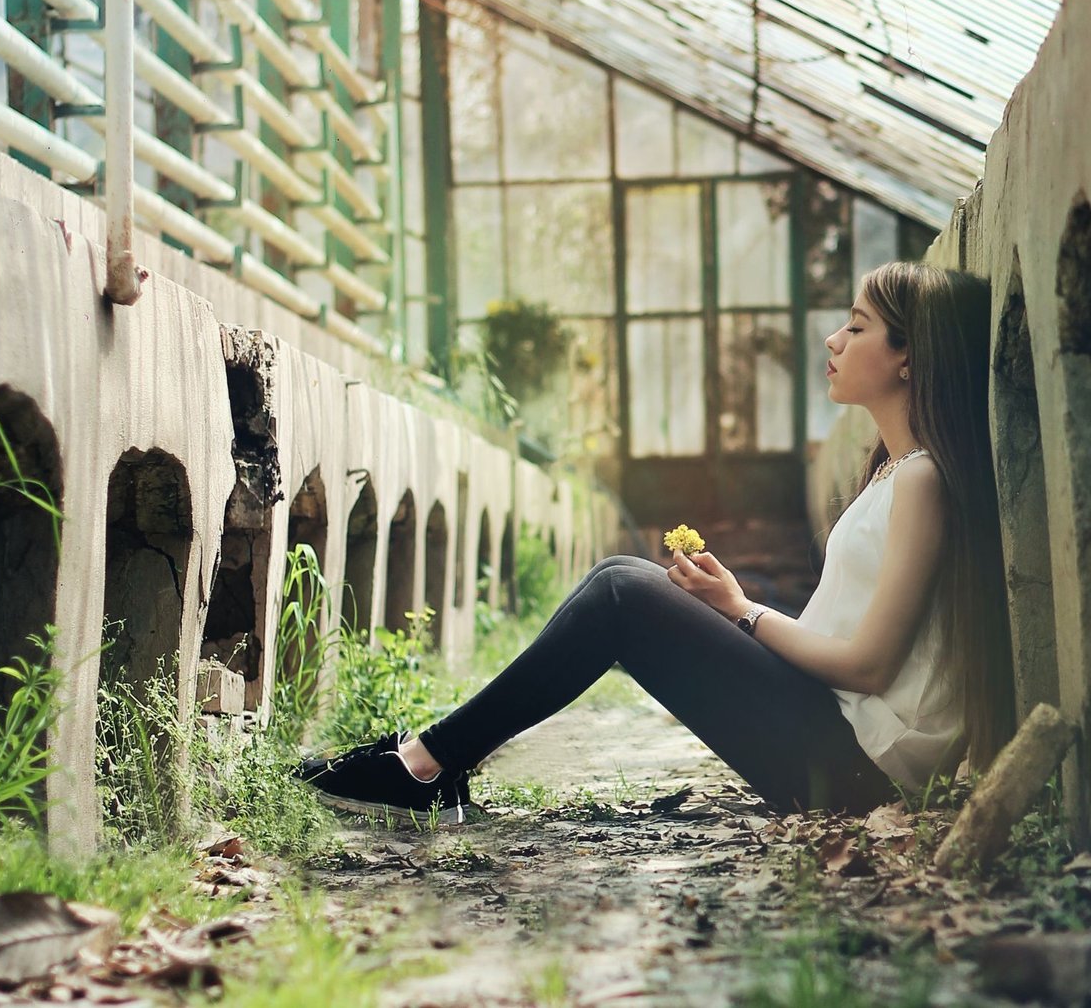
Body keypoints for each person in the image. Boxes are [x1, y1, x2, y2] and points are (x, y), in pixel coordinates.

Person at [297, 262, 1016, 825]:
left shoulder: (923, 481)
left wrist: (741, 610)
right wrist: (728, 603)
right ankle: (433, 760)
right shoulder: (893, 473)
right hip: (830, 738)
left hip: (860, 774)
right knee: (619, 573)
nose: (833, 341)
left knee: (621, 591)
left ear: (908, 359)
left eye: (857, 328)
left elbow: (867, 665)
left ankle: (424, 766)